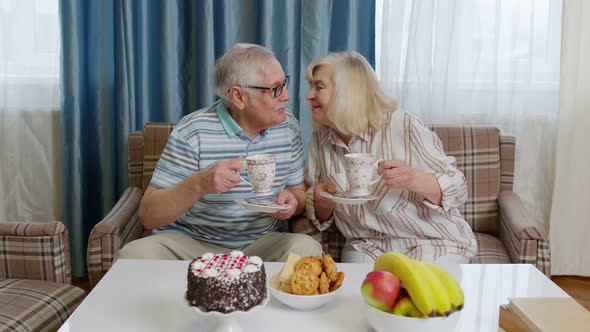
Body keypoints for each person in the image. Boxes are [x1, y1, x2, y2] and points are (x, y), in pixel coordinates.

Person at [117, 43, 322, 261]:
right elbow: (148, 215)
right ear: (239, 96)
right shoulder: (192, 131)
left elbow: (298, 191)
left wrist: (293, 202)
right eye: (275, 89)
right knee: (133, 254)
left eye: (284, 84)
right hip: (193, 243)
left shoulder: (288, 127)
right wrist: (199, 183)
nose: (286, 96)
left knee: (306, 248)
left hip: (262, 243)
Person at [304, 52, 477, 264]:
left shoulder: (402, 124)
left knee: (417, 292)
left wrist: (413, 179)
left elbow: (458, 188)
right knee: (357, 294)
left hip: (431, 240)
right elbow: (320, 214)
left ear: (347, 91)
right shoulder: (320, 139)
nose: (309, 95)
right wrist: (322, 203)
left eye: (319, 87)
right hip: (366, 245)